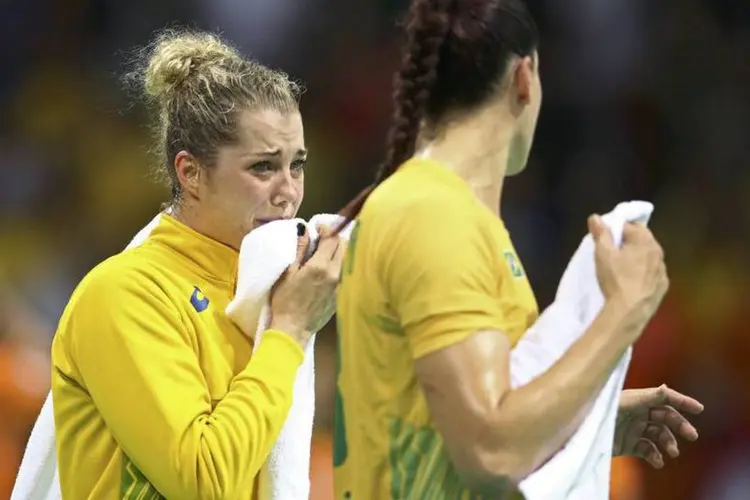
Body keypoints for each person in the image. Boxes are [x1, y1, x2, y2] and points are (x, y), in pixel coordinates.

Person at [333, 0, 702, 498]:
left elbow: (448, 425)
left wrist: (586, 422)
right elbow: (491, 451)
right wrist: (625, 310)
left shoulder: (445, 213)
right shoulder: (433, 216)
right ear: (525, 77)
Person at [50, 29, 345, 499]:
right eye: (263, 167)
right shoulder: (126, 294)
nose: (289, 191)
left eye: (298, 165)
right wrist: (289, 330)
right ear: (190, 173)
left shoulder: (269, 287)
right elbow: (203, 481)